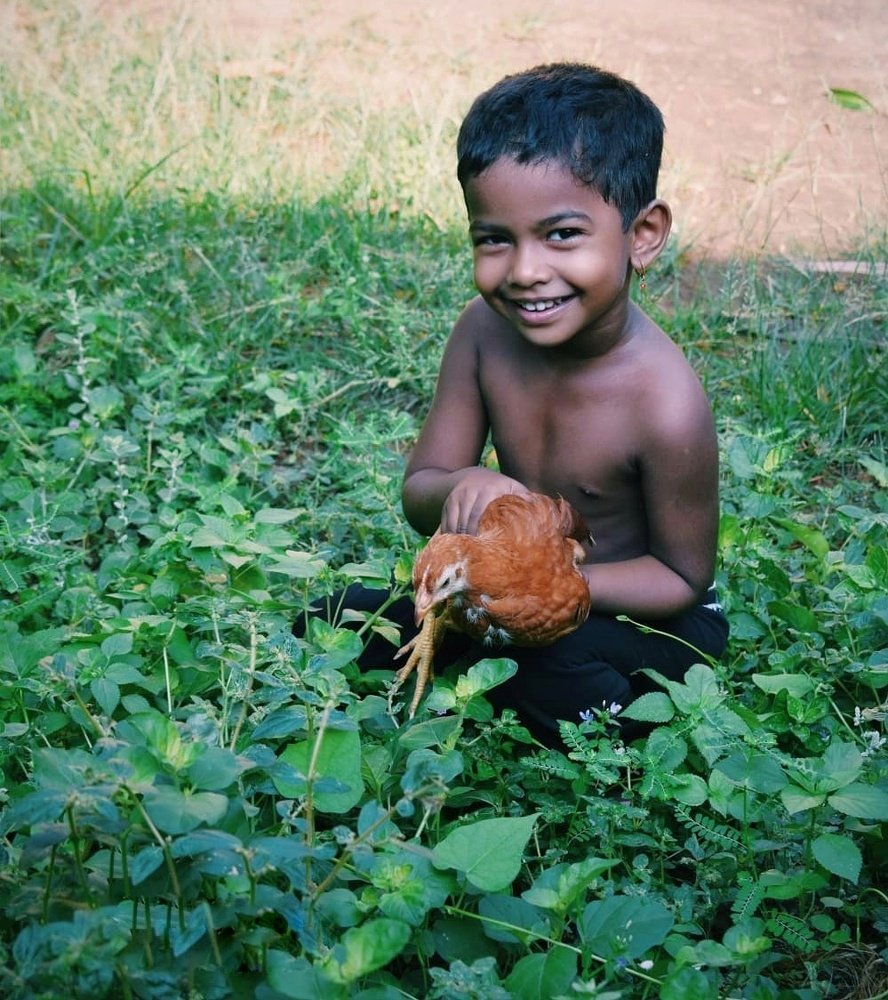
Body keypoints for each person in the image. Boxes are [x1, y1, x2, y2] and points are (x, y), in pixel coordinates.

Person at [303, 63, 729, 746]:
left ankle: (602, 733)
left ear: (642, 235)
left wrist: (551, 585)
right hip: (508, 594)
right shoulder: (482, 335)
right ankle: (489, 661)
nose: (525, 270)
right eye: (494, 238)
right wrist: (463, 483)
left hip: (638, 612)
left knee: (546, 664)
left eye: (562, 234)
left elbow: (681, 579)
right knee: (335, 616)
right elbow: (421, 492)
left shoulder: (665, 401)